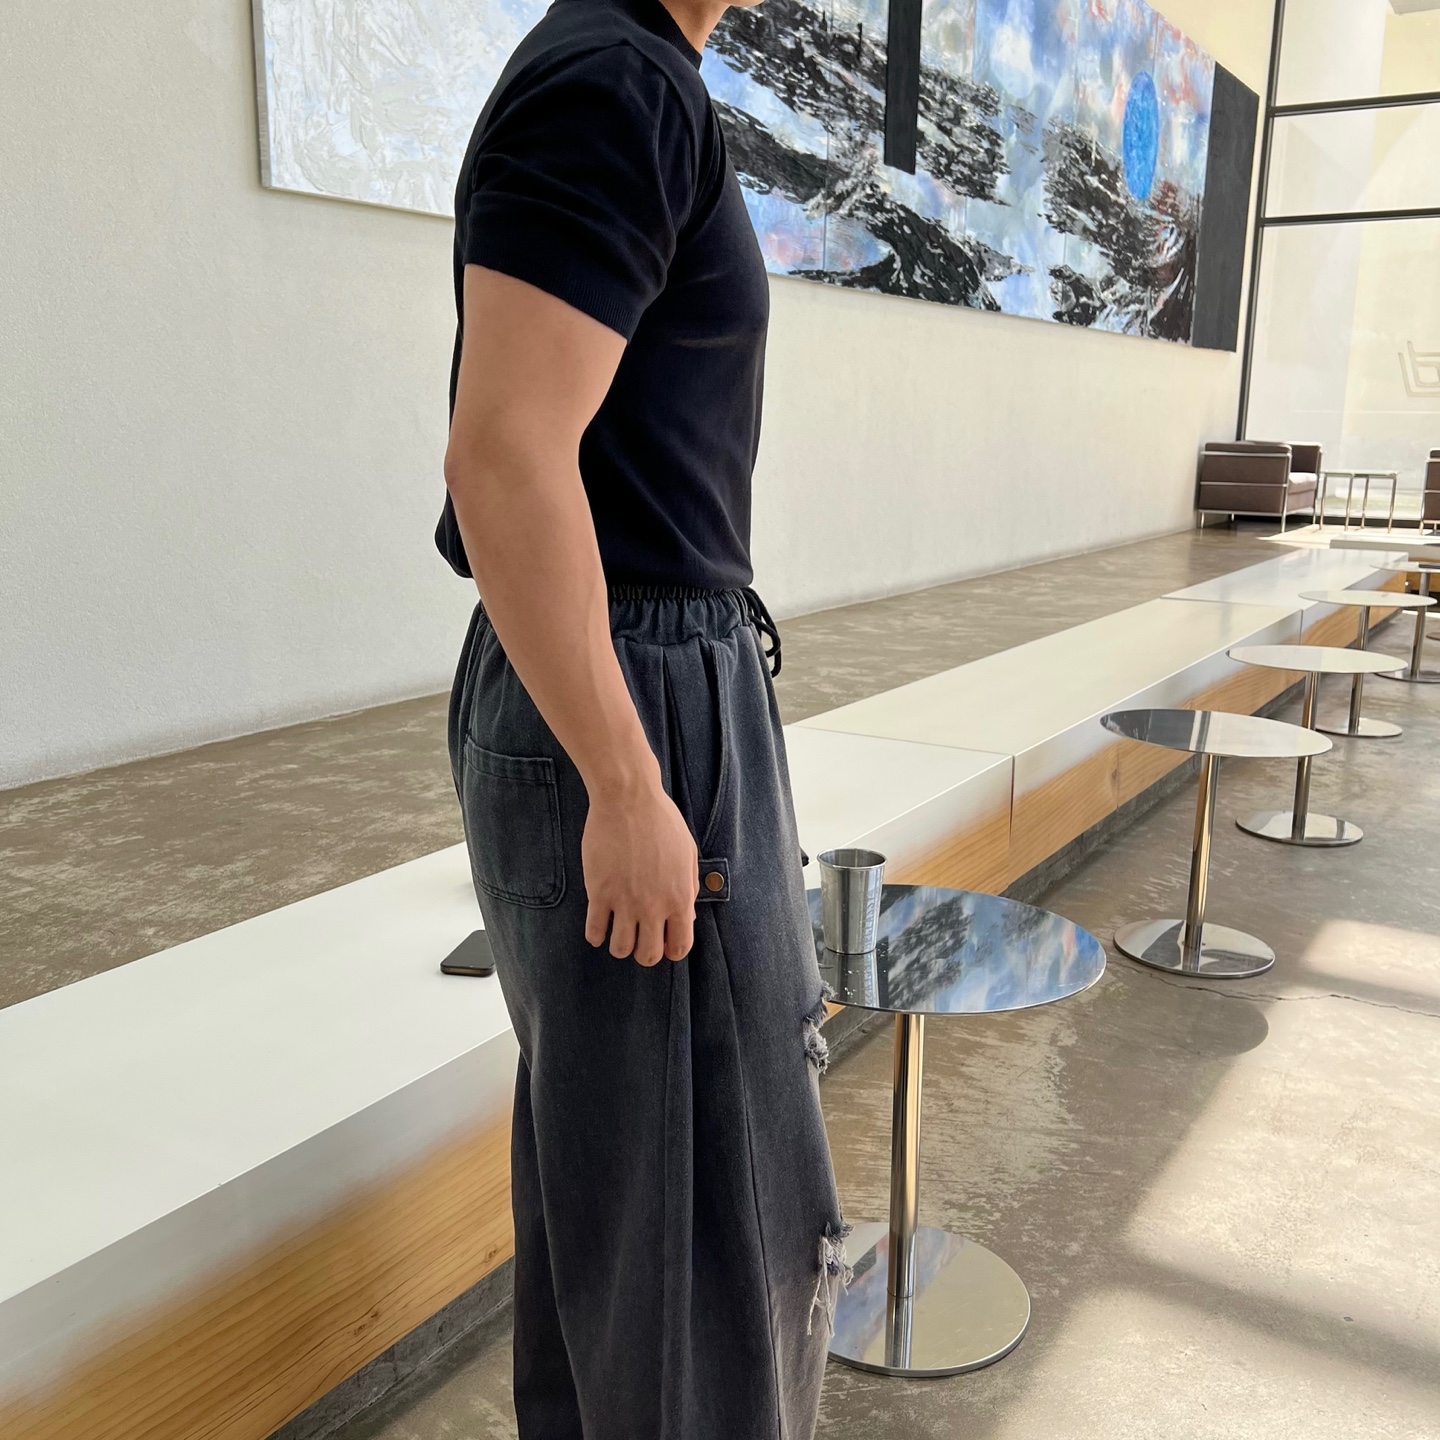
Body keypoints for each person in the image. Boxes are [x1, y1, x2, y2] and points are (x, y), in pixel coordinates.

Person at [438, 0, 847, 1432]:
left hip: (651, 670)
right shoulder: (619, 79)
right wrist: (625, 778)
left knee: (627, 1201)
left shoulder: (629, 69)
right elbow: (504, 451)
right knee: (704, 1225)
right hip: (639, 685)